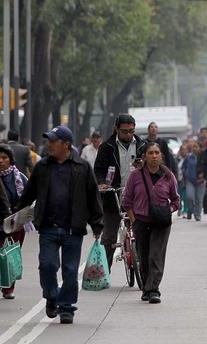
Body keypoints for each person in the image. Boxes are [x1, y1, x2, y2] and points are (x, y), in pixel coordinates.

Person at [17, 125, 103, 324]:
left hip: (73, 228)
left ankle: (66, 307)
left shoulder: (82, 167)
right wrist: (16, 217)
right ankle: (51, 296)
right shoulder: (42, 167)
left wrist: (97, 223)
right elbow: (28, 194)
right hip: (48, 227)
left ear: (66, 144)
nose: (49, 145)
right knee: (47, 265)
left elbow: (93, 197)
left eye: (53, 141)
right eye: (49, 140)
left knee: (71, 270)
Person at [122, 142, 180, 304]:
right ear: (144, 156)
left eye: (156, 153)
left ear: (161, 155)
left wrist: (168, 210)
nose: (154, 156)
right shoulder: (135, 176)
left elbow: (176, 200)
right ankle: (147, 288)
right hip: (140, 221)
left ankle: (153, 289)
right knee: (144, 256)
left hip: (161, 223)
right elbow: (127, 201)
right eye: (150, 153)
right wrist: (133, 220)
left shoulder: (168, 176)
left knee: (156, 255)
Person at [94, 114, 147, 268]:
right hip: (113, 197)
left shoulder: (142, 146)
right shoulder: (107, 147)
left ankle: (143, 268)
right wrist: (102, 183)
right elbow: (98, 170)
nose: (128, 135)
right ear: (116, 129)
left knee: (142, 234)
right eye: (124, 131)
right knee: (109, 236)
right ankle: (104, 271)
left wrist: (143, 166)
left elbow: (154, 168)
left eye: (131, 131)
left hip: (138, 198)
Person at [0, 144, 22, 299]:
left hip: (15, 223)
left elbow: (28, 199)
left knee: (11, 255)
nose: (1, 161)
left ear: (11, 160)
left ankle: (8, 288)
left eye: (4, 158)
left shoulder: (19, 177)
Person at [182, 141, 204, 221]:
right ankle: (190, 210)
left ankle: (197, 214)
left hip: (200, 181)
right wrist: (186, 174)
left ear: (200, 148)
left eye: (196, 147)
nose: (194, 148)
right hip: (190, 180)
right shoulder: (188, 157)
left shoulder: (203, 157)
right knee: (189, 196)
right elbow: (183, 167)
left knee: (199, 199)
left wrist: (203, 176)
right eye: (193, 147)